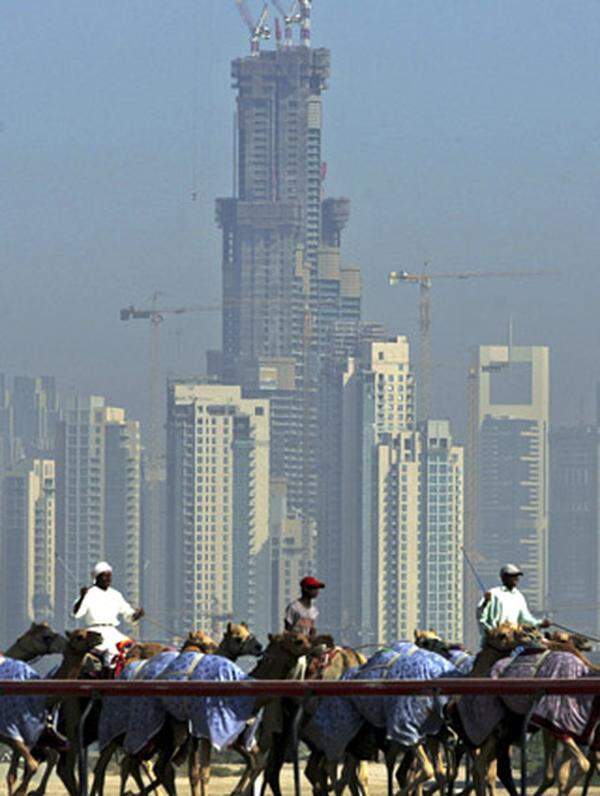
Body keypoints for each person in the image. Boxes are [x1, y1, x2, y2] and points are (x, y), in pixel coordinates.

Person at [72, 561, 144, 666]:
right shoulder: (89, 594)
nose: (108, 579)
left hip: (112, 632)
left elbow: (128, 614)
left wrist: (136, 615)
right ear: (96, 578)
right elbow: (76, 614)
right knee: (110, 652)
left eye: (109, 576)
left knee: (132, 648)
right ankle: (108, 679)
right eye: (104, 576)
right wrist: (82, 597)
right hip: (95, 633)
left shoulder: (115, 595)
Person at [477, 563, 550, 637]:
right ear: (504, 577)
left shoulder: (519, 596)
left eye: (517, 576)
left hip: (513, 637)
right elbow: (480, 615)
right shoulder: (493, 593)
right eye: (512, 576)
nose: (516, 579)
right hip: (496, 638)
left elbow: (525, 618)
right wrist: (485, 602)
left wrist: (539, 623)